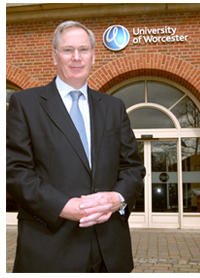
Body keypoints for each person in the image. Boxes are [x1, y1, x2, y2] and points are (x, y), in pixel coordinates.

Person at [6, 20, 145, 273]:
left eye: (84, 50)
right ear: (54, 56)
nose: (77, 57)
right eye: (68, 50)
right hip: (49, 248)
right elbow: (15, 171)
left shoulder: (114, 108)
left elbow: (133, 167)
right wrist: (63, 206)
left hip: (110, 252)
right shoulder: (25, 104)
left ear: (93, 56)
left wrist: (118, 198)